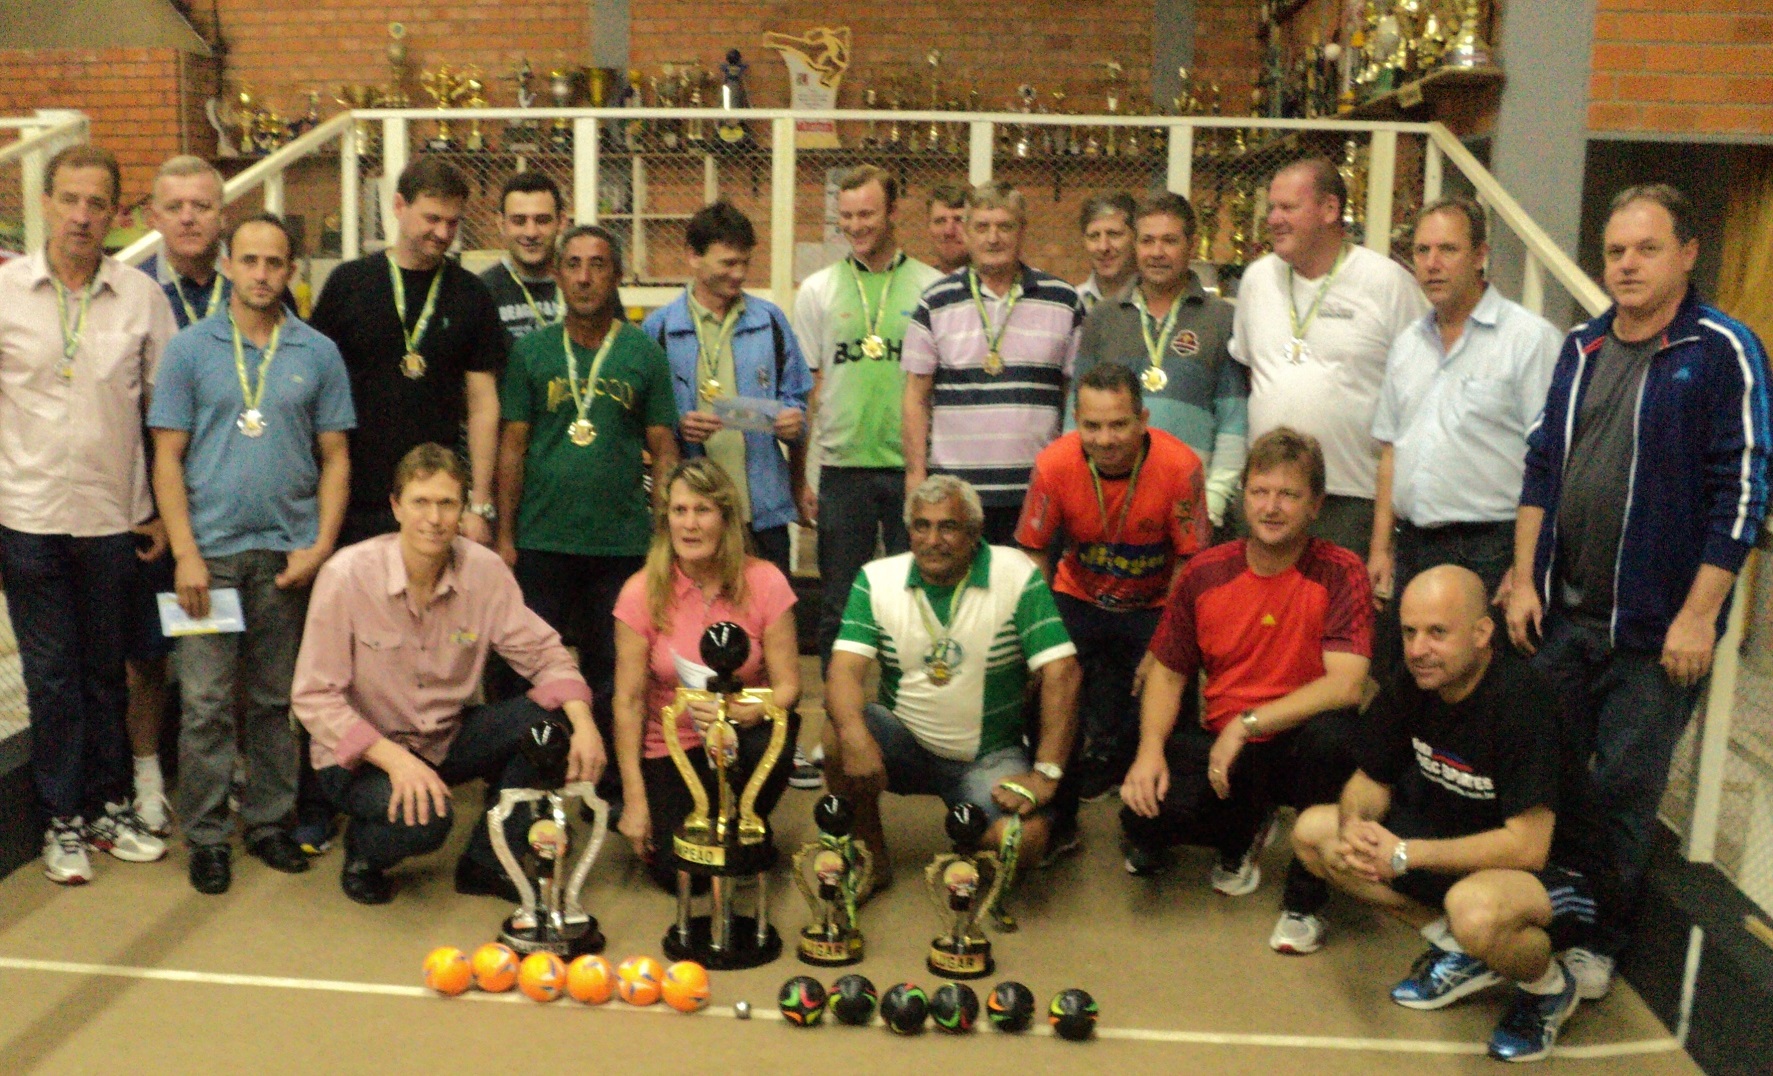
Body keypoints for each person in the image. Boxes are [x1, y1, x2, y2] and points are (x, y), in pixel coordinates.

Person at [1506, 183, 1770, 997]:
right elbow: (1543, 466)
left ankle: (1595, 940)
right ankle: (1527, 917)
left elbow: (1744, 490)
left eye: (1644, 249)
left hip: (1658, 635)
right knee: (1539, 772)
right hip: (1562, 615)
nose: (1624, 264)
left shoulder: (1722, 350)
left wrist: (1699, 616)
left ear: (1686, 254)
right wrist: (1521, 578)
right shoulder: (1582, 347)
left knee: (1621, 788)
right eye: (1615, 250)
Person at [1291, 566, 1601, 1063]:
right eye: (1410, 632)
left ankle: (1547, 988)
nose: (1418, 649)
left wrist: (1406, 854)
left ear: (1482, 634)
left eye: (1437, 632)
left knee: (1473, 909)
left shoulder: (1523, 699)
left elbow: (1528, 845)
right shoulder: (1415, 681)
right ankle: (1463, 950)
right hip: (1460, 847)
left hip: (1553, 876)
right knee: (1315, 835)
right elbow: (1369, 780)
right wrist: (1356, 830)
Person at [291, 444, 606, 906]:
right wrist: (397, 762)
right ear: (396, 506)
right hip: (361, 756)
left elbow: (543, 653)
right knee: (425, 821)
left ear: (463, 510)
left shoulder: (484, 571)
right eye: (420, 502)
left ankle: (488, 860)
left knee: (550, 726)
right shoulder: (346, 576)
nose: (434, 518)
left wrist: (584, 723)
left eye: (447, 504)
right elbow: (314, 697)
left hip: (443, 736)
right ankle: (363, 853)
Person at [148, 212, 355, 894]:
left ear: (292, 270)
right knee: (205, 702)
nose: (263, 274)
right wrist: (185, 554)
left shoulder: (318, 353)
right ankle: (207, 836)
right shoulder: (187, 349)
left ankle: (268, 822)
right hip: (207, 561)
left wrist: (320, 546)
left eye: (276, 263)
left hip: (285, 560)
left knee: (273, 700)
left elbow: (335, 457)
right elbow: (168, 458)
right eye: (251, 261)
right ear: (229, 264)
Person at [1120, 427, 1372, 956]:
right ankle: (1245, 829)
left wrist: (1249, 723)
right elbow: (1167, 672)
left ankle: (1304, 903)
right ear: (1242, 499)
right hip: (1226, 747)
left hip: (1298, 741)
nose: (1272, 507)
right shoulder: (1206, 573)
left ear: (1315, 506)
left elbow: (1347, 684)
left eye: (1289, 494)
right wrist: (1148, 755)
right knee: (1145, 810)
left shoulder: (1340, 571)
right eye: (1260, 492)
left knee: (1335, 740)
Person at [0, 144, 174, 884]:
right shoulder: (5, 292)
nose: (80, 216)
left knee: (107, 672)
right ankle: (60, 821)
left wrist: (166, 515)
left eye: (95, 203)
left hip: (114, 521)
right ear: (44, 201)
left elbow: (168, 422)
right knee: (52, 677)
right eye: (69, 199)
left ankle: (106, 808)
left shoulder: (142, 299)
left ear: (116, 213)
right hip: (27, 516)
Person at [824, 475, 1081, 893]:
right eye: (921, 526)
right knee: (837, 732)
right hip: (905, 742)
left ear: (975, 533)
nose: (933, 539)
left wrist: (1046, 775)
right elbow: (844, 670)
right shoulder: (876, 579)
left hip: (989, 757)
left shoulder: (1015, 573)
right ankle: (871, 857)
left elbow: (1062, 671)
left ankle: (970, 841)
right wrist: (854, 735)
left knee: (1025, 843)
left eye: (948, 526)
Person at [496, 224, 679, 789]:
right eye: (572, 264)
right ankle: (526, 780)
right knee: (527, 671)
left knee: (612, 673)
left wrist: (662, 540)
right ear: (557, 276)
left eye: (597, 264)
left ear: (617, 275)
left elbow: (667, 452)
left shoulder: (643, 353)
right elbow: (512, 449)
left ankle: (608, 781)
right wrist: (505, 536)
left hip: (619, 545)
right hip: (540, 541)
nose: (584, 276)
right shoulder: (532, 352)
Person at [1367, 198, 1560, 675]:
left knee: (1484, 686)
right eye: (1422, 250)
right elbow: (1391, 449)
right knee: (1411, 678)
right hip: (1414, 544)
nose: (1432, 264)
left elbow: (1554, 461)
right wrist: (1379, 549)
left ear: (1480, 255)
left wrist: (1526, 567)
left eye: (1448, 249)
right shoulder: (1408, 344)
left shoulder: (1528, 340)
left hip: (1491, 547)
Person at [1017, 362, 1209, 828]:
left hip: (1156, 603)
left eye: (1119, 424)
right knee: (1048, 682)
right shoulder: (1053, 464)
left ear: (1143, 420)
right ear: (1075, 423)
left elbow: (1191, 564)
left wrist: (1166, 647)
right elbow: (1034, 554)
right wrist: (1039, 642)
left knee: (1171, 686)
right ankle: (1056, 821)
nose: (1105, 439)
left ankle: (1157, 826)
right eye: (1092, 426)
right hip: (1077, 594)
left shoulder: (1181, 468)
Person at [611, 459, 801, 890]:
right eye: (680, 511)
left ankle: (746, 820)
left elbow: (790, 685)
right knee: (685, 875)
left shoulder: (766, 580)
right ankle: (670, 814)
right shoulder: (640, 591)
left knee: (777, 732)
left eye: (703, 511)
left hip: (745, 735)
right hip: (672, 745)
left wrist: (751, 709)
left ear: (726, 518)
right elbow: (627, 702)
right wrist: (635, 800)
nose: (690, 525)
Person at [1229, 158, 1428, 557]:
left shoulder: (1387, 284)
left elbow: (1420, 396)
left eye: (1288, 208)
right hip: (1268, 499)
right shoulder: (1256, 279)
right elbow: (1252, 373)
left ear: (1330, 210)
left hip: (1351, 497)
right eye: (1272, 208)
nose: (1274, 219)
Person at [309, 156, 506, 548]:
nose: (442, 233)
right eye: (432, 218)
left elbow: (483, 405)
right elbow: (314, 391)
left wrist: (479, 502)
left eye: (453, 223)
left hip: (437, 501)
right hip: (357, 496)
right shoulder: (349, 283)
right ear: (399, 206)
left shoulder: (471, 294)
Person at [792, 165, 943, 664]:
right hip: (842, 469)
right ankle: (840, 728)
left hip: (911, 470)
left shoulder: (931, 286)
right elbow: (810, 390)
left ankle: (907, 723)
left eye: (867, 215)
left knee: (913, 601)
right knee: (839, 604)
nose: (856, 227)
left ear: (894, 213)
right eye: (847, 217)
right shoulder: (817, 290)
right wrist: (808, 475)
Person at [129, 154, 231, 835]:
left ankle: (233, 772)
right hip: (149, 512)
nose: (190, 217)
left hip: (224, 512)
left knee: (228, 647)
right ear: (154, 216)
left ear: (223, 215)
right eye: (177, 207)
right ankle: (146, 780)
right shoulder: (132, 292)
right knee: (148, 654)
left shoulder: (251, 290)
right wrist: (146, 509)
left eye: (202, 205)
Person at [902, 181, 1083, 545]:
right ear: (966, 234)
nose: (993, 238)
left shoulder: (1063, 300)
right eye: (982, 227)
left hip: (1037, 488)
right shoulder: (935, 301)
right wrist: (915, 475)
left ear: (1022, 232)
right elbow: (915, 397)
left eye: (1004, 226)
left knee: (1026, 595)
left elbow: (1074, 397)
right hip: (954, 494)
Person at [643, 201, 811, 580]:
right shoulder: (659, 330)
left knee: (770, 619)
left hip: (762, 512)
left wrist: (791, 421)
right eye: (727, 264)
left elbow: (798, 398)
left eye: (744, 263)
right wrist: (677, 427)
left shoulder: (770, 321)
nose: (738, 275)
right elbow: (643, 420)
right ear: (692, 257)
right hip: (692, 519)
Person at [1073, 191, 1246, 533]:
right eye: (1147, 241)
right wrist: (1081, 495)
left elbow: (1234, 424)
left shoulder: (1223, 320)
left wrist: (1211, 503)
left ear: (1191, 245)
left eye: (1169, 241)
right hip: (1110, 505)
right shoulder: (1102, 318)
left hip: (1191, 507)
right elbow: (1074, 417)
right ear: (1135, 246)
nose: (1156, 253)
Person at [480, 170, 566, 343]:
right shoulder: (481, 292)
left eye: (542, 220)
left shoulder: (587, 285)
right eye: (519, 221)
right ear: (501, 224)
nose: (531, 232)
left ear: (561, 222)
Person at [1074, 192, 1136, 312]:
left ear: (1136, 238)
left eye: (1113, 234)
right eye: (1094, 236)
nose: (1103, 247)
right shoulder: (1074, 303)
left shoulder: (1156, 304)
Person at [925, 184, 970, 275]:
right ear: (929, 227)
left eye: (959, 220)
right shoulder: (918, 284)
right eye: (940, 221)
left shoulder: (994, 285)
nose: (948, 232)